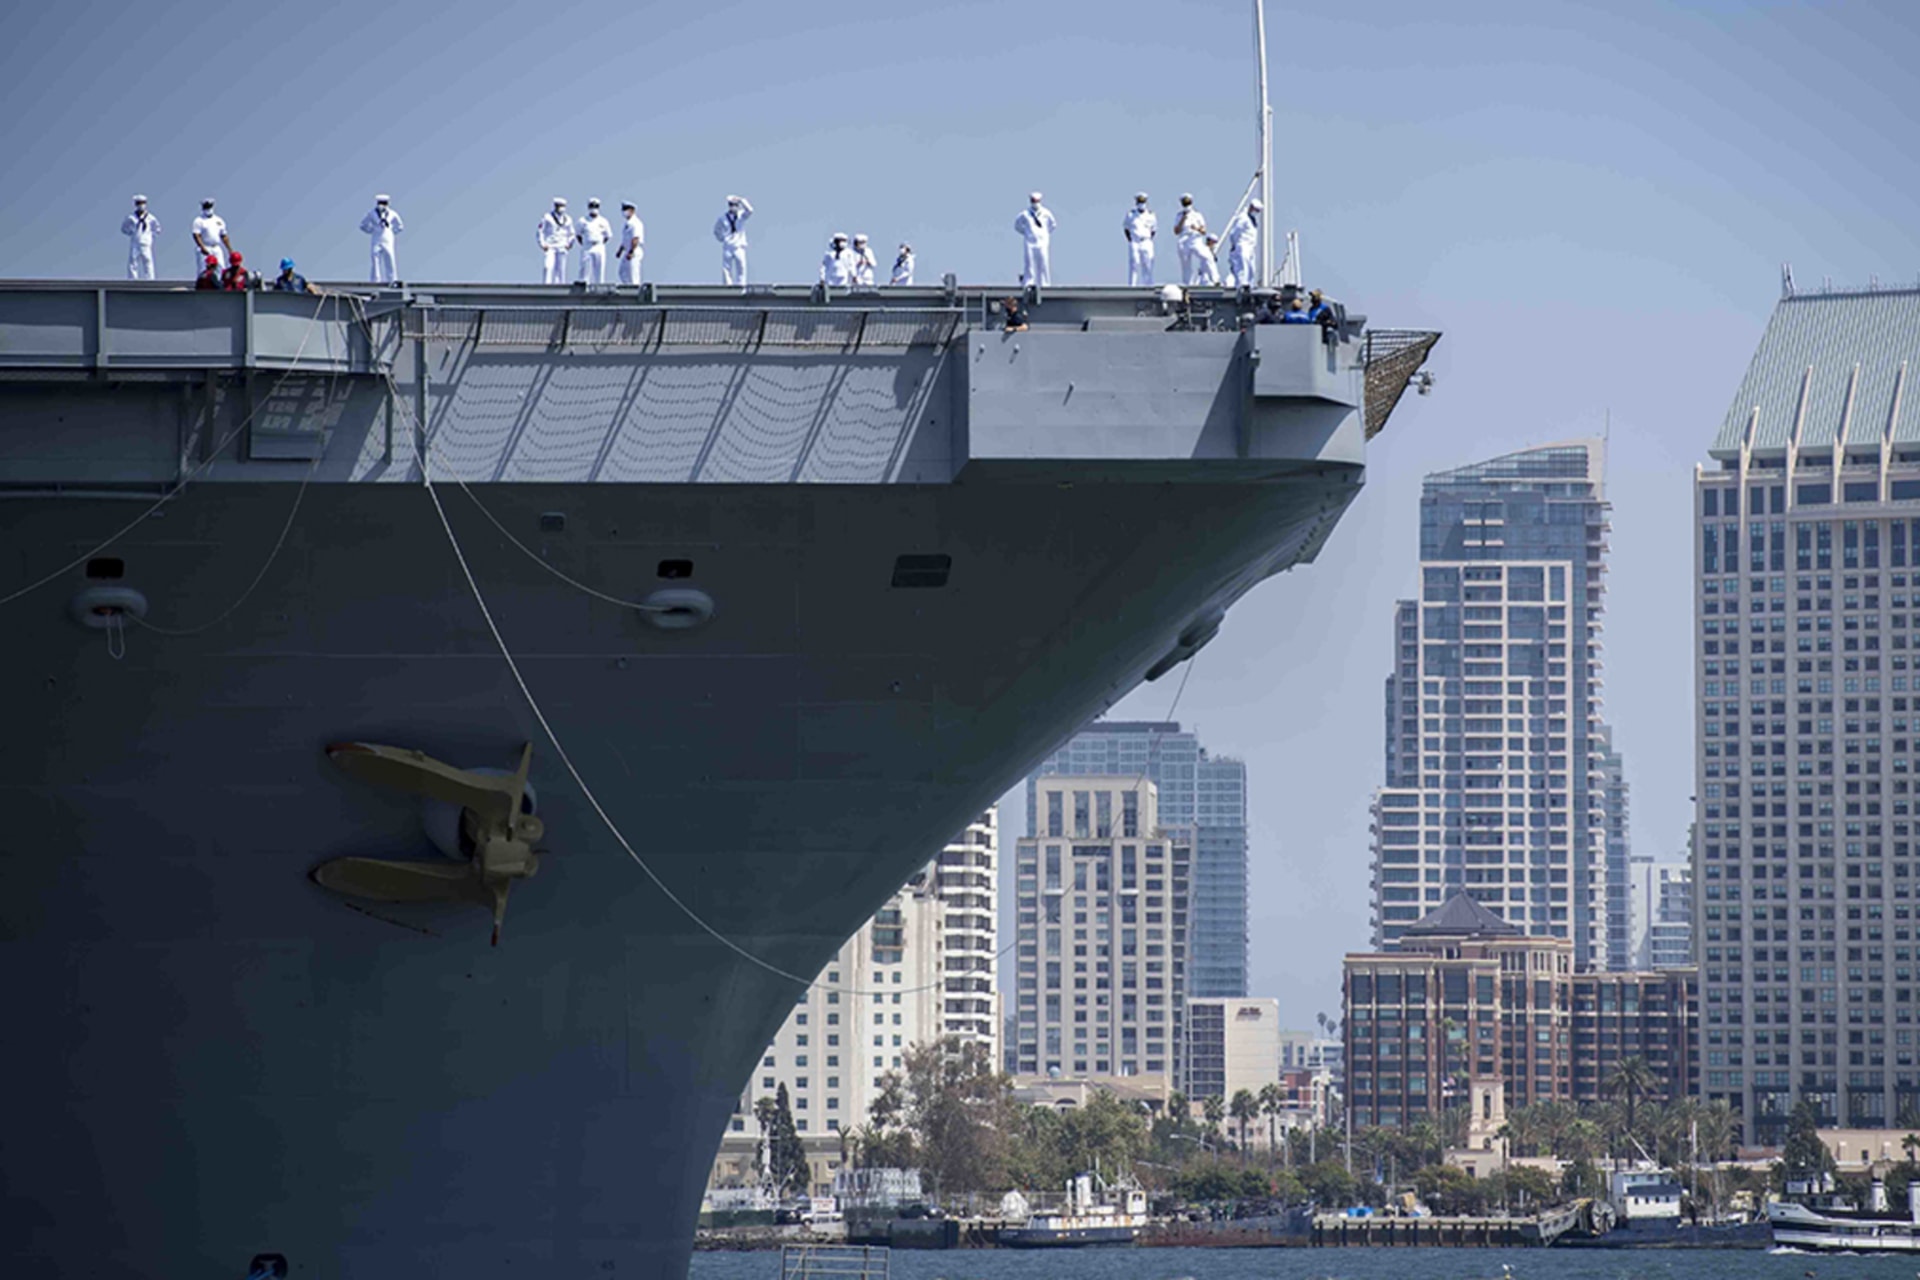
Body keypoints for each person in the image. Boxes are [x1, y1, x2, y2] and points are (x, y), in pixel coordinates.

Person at [1013, 191, 1056, 288]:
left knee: (1043, 262)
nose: (1035, 203)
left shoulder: (1046, 213)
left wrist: (1045, 234)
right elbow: (1017, 225)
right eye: (1033, 201)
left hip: (1042, 242)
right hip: (1030, 242)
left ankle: (1044, 283)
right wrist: (1026, 232)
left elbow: (1053, 225)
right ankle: (1029, 282)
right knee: (1029, 263)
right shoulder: (1025, 214)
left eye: (1037, 201)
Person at [359, 194, 403, 284]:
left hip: (387, 237)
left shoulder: (392, 214)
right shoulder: (372, 213)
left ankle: (392, 279)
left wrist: (392, 230)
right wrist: (371, 230)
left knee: (390, 257)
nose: (382, 205)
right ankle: (375, 280)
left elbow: (400, 226)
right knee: (375, 258)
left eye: (384, 203)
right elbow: (363, 225)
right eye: (380, 203)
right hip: (376, 237)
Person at [713, 194, 753, 286]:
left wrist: (742, 200)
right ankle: (728, 286)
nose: (733, 207)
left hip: (739, 246)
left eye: (735, 205)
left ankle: (741, 285)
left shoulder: (741, 216)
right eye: (731, 205)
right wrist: (723, 238)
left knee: (741, 267)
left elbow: (750, 210)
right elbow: (716, 230)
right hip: (728, 246)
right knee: (726, 268)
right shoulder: (723, 218)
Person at [1222, 198, 1261, 288]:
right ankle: (1241, 286)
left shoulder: (1252, 219)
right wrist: (1234, 244)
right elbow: (1235, 232)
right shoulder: (1243, 217)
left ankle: (1249, 286)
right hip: (1243, 245)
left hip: (1251, 247)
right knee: (1243, 268)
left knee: (1251, 269)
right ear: (1251, 207)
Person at [574, 198, 613, 285]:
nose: (594, 208)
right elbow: (578, 234)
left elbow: (608, 236)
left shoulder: (604, 221)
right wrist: (585, 243)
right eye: (592, 206)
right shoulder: (582, 220)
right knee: (585, 269)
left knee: (599, 269)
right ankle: (584, 285)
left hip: (599, 246)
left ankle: (599, 286)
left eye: (596, 206)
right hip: (587, 246)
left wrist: (600, 243)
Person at [536, 197, 574, 284]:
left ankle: (560, 285)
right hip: (550, 246)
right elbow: (540, 231)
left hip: (562, 246)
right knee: (548, 266)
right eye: (559, 206)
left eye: (563, 206)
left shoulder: (568, 219)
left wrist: (569, 243)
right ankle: (546, 284)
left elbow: (572, 233)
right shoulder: (547, 217)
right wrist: (542, 244)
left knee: (561, 269)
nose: (561, 208)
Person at [121, 195, 160, 280]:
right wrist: (131, 232)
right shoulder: (131, 217)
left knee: (148, 261)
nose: (141, 205)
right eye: (139, 203)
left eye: (142, 203)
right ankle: (132, 279)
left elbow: (157, 229)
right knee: (133, 261)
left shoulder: (151, 218)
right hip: (135, 241)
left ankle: (150, 279)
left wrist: (150, 236)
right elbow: (124, 228)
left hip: (146, 242)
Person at [191, 198, 231, 276]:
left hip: (216, 247)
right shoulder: (199, 221)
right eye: (206, 207)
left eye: (209, 207)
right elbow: (196, 235)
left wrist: (230, 249)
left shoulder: (218, 220)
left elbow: (224, 236)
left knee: (221, 268)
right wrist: (202, 247)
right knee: (203, 269)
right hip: (204, 247)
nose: (208, 209)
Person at [1122, 192, 1155, 287]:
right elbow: (1126, 229)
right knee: (1134, 263)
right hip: (1135, 242)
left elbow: (1153, 230)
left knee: (1148, 264)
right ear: (1136, 202)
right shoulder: (1130, 215)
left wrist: (1146, 239)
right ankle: (1132, 285)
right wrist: (1131, 239)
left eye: (1143, 202)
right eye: (1140, 202)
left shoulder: (1151, 215)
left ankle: (1148, 285)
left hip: (1146, 241)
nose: (1141, 204)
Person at [1173, 194, 1207, 285]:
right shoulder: (1179, 215)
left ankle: (1214, 279)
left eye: (1188, 204)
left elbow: (1204, 231)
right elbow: (1176, 231)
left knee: (1206, 257)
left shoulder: (1197, 215)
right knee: (1185, 264)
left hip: (1195, 238)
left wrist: (1196, 228)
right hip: (1183, 239)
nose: (1186, 206)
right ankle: (1187, 283)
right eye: (1185, 204)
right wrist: (1183, 219)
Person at [616, 201, 645, 286]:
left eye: (626, 209)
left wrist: (631, 252)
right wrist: (620, 251)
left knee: (633, 273)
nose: (624, 212)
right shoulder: (627, 223)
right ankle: (628, 286)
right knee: (622, 272)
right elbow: (625, 239)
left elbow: (635, 238)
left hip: (634, 251)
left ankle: (634, 289)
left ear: (632, 210)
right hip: (627, 250)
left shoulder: (636, 223)